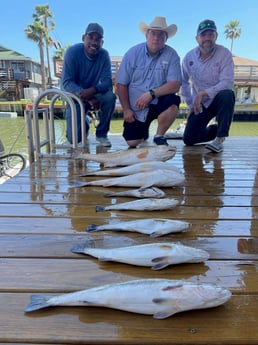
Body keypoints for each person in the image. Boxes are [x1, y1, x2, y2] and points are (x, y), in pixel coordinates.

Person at [116, 16, 182, 147]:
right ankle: (143, 131)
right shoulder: (132, 53)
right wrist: (127, 110)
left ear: (166, 38)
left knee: (173, 102)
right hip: (137, 108)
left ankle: (159, 135)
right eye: (153, 33)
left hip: (158, 102)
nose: (156, 38)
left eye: (161, 34)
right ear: (147, 34)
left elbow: (175, 84)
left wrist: (151, 94)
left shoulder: (172, 55)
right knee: (132, 142)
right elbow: (121, 84)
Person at [181, 19, 235, 153]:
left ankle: (219, 138)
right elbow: (183, 82)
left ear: (216, 36)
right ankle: (215, 130)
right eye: (203, 35)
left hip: (219, 99)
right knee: (188, 139)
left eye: (211, 35)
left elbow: (227, 82)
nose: (207, 38)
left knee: (228, 94)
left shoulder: (225, 54)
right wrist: (191, 105)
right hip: (201, 104)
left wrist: (203, 93)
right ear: (197, 38)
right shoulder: (189, 57)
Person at [62, 23, 116, 147]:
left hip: (93, 93)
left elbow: (107, 81)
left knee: (110, 97)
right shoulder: (72, 52)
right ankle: (85, 120)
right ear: (83, 38)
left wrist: (92, 91)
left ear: (102, 42)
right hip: (75, 97)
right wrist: (88, 96)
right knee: (74, 140)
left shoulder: (104, 55)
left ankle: (101, 134)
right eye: (90, 37)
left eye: (98, 39)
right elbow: (67, 82)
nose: (94, 42)